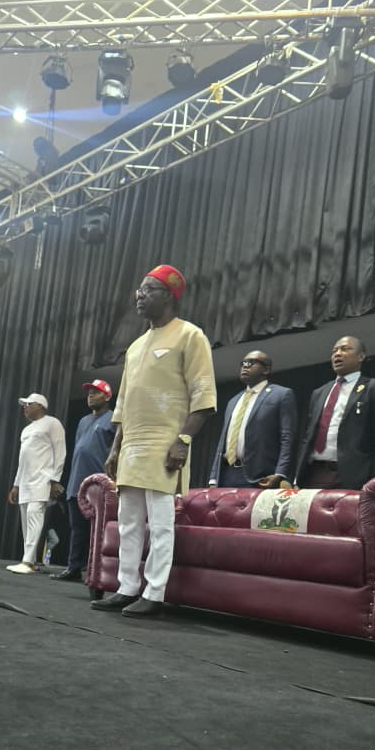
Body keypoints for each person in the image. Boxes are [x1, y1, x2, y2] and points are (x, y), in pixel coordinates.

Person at [91, 264, 216, 619]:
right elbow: (123, 403)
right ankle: (127, 587)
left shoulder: (189, 335)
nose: (139, 296)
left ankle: (155, 592)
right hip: (131, 445)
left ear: (169, 296)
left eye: (148, 290)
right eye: (139, 290)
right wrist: (115, 448)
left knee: (160, 524)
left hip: (165, 444)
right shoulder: (135, 346)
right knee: (129, 522)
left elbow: (204, 396)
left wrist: (183, 440)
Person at [295, 336, 375, 490]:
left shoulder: (373, 388)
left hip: (353, 475)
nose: (337, 354)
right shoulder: (319, 392)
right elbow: (308, 436)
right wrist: (298, 476)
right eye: (334, 351)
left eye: (345, 349)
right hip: (314, 473)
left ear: (361, 356)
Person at [52, 379, 116, 583]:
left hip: (99, 484)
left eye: (96, 392)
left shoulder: (114, 419)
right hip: (77, 482)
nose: (90, 395)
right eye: (89, 392)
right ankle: (74, 567)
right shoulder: (83, 421)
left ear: (107, 396)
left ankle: (96, 572)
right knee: (77, 528)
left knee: (99, 531)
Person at [208, 350, 298, 488]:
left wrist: (280, 473)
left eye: (251, 363)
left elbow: (288, 437)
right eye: (243, 363)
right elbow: (223, 441)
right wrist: (214, 478)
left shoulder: (281, 394)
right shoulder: (234, 400)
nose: (245, 366)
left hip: (262, 476)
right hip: (227, 474)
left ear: (266, 369)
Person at [7, 393, 66, 574]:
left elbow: (60, 452)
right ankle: (31, 561)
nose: (24, 407)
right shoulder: (26, 430)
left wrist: (55, 480)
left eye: (28, 404)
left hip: (42, 479)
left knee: (34, 515)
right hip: (25, 481)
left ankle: (26, 562)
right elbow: (22, 460)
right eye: (24, 405)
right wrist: (16, 485)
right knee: (26, 520)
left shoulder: (52, 423)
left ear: (40, 405)